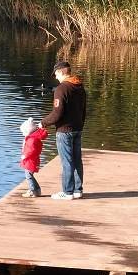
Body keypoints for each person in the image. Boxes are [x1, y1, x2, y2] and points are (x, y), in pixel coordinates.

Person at [41, 61, 86, 200]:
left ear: (61, 72)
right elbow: (83, 110)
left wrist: (42, 123)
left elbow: (57, 114)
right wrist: (80, 125)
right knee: (77, 160)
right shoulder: (79, 86)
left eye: (55, 74)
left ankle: (67, 192)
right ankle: (78, 190)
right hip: (77, 128)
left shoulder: (61, 89)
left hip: (64, 130)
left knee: (67, 161)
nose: (55, 77)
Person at [20, 117, 48, 198]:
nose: (23, 134)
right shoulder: (34, 137)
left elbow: (31, 150)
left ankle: (32, 190)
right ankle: (37, 190)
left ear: (28, 130)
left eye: (24, 132)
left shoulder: (32, 139)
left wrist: (25, 156)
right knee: (30, 176)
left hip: (30, 161)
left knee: (28, 176)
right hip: (33, 160)